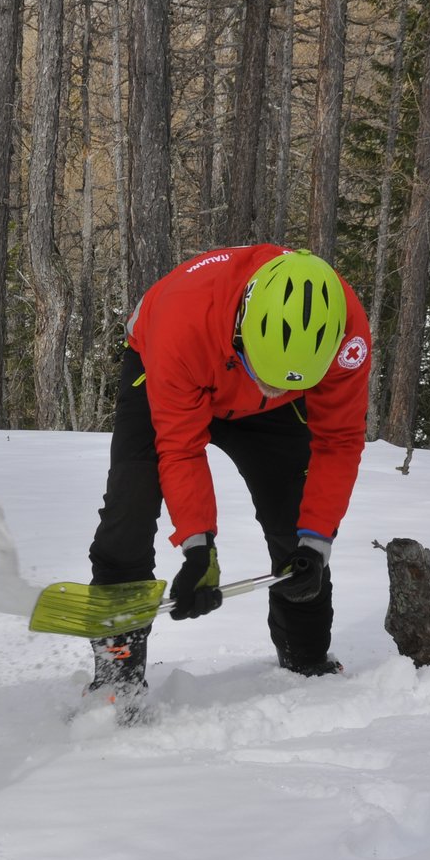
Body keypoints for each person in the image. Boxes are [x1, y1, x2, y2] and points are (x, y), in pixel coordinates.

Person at [84, 245, 371, 720]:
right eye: (267, 377)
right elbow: (180, 448)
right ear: (242, 327)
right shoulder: (184, 319)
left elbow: (339, 441)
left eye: (285, 383)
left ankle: (307, 661)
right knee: (128, 514)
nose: (270, 390)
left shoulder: (347, 335)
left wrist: (317, 542)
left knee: (296, 521)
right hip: (176, 370)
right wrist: (199, 547)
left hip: (268, 411)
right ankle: (117, 679)